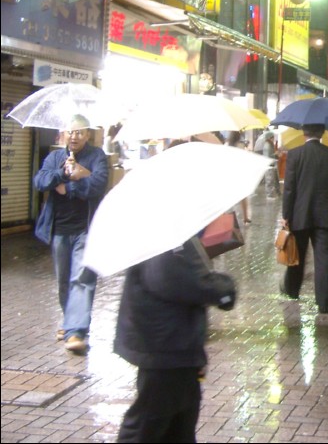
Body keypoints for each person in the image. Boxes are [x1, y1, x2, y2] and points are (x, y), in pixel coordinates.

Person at [115, 238, 237, 442]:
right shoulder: (165, 238)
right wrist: (224, 289)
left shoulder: (174, 235)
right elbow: (181, 281)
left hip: (176, 348)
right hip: (167, 349)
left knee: (179, 425)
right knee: (147, 426)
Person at [33, 114, 109, 354]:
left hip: (85, 228)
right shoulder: (55, 156)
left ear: (87, 135)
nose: (74, 136)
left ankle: (76, 331)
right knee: (64, 280)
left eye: (80, 132)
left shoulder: (97, 156)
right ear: (64, 134)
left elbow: (98, 184)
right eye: (70, 131)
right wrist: (63, 175)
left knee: (82, 278)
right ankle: (70, 324)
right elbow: (40, 180)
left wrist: (71, 186)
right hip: (59, 229)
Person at [281, 123, 328, 314]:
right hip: (324, 214)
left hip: (299, 214)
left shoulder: (295, 154)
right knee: (323, 257)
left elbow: (289, 189)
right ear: (322, 133)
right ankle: (323, 302)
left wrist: (286, 215)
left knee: (297, 255)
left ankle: (293, 291)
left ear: (303, 133)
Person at [226, 131, 251, 223]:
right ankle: (245, 217)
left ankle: (230, 216)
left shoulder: (226, 145)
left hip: (230, 174)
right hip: (238, 174)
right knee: (243, 196)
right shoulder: (240, 146)